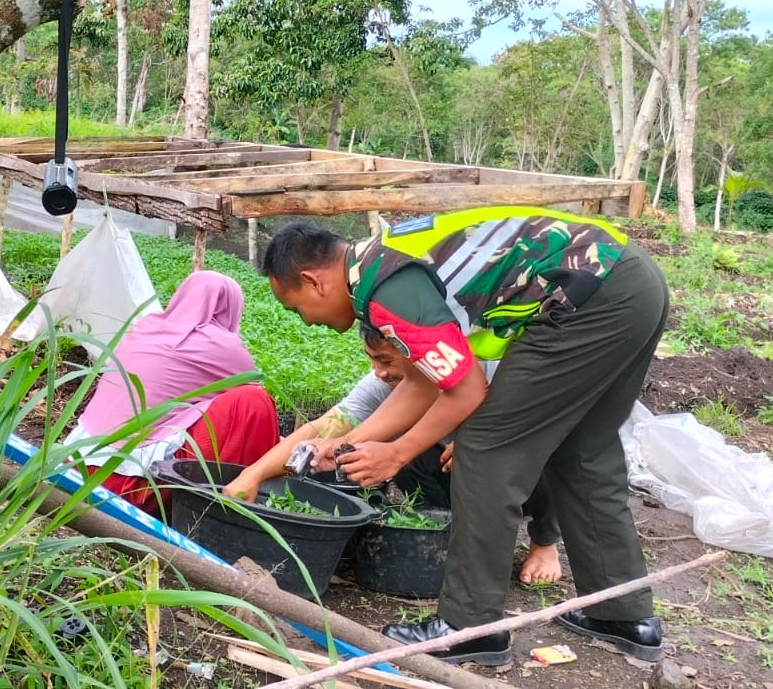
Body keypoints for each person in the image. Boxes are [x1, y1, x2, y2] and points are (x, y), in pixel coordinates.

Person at [260, 206, 669, 665]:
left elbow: (466, 389)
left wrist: (397, 454)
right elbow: (422, 381)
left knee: (487, 446)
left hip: (590, 294)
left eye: (295, 307)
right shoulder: (389, 260)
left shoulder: (386, 285)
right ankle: (623, 614)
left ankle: (470, 628)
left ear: (316, 281)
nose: (305, 321)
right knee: (584, 451)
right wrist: (346, 442)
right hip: (630, 280)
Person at [224, 325, 563, 585]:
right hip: (456, 475)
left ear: (418, 353)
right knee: (390, 443)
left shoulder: (485, 369)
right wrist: (252, 475)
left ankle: (544, 542)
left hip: (511, 461)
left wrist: (481, 438)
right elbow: (324, 426)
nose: (378, 371)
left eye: (385, 360)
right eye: (372, 359)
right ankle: (441, 519)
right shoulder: (382, 384)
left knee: (545, 447)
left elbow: (544, 416)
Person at [66, 270, 279, 515]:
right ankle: (239, 508)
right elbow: (250, 396)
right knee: (253, 402)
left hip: (76, 465)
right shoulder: (224, 345)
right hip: (133, 483)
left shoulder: (146, 326)